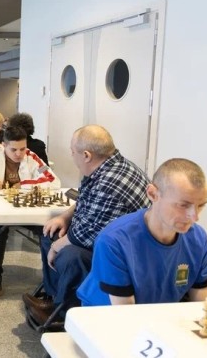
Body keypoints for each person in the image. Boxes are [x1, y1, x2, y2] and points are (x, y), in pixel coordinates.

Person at [22, 125, 150, 325]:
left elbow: (89, 235)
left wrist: (57, 246)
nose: (72, 156)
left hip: (127, 254)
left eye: (73, 152)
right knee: (50, 231)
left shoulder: (109, 182)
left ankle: (63, 315)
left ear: (87, 155)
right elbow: (85, 200)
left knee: (70, 255)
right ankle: (53, 299)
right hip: (103, 235)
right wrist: (64, 217)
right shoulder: (107, 166)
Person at [77, 158, 207, 306]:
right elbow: (124, 313)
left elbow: (203, 305)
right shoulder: (114, 241)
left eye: (201, 205)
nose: (194, 217)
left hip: (158, 313)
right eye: (183, 205)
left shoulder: (198, 239)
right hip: (105, 315)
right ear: (153, 194)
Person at [0, 126, 60, 296]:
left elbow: (53, 181)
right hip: (1, 210)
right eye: (14, 149)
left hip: (26, 211)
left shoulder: (32, 157)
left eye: (22, 149)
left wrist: (25, 185)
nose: (19, 154)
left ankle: (50, 279)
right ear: (4, 145)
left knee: (48, 230)